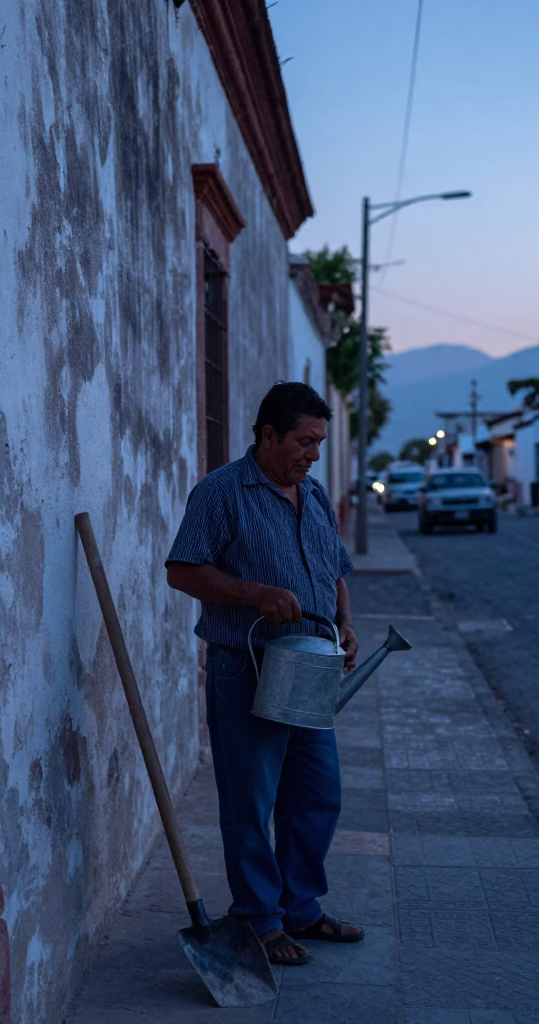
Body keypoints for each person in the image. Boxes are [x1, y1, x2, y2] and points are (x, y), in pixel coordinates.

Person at [165, 381, 363, 966]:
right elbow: (182, 570)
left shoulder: (317, 495)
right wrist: (255, 595)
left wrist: (346, 621)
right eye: (305, 441)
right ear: (268, 434)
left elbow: (335, 569)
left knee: (316, 796)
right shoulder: (222, 493)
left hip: (310, 670)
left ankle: (301, 908)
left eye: (320, 443)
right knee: (250, 801)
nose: (314, 454)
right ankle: (258, 918)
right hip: (245, 668)